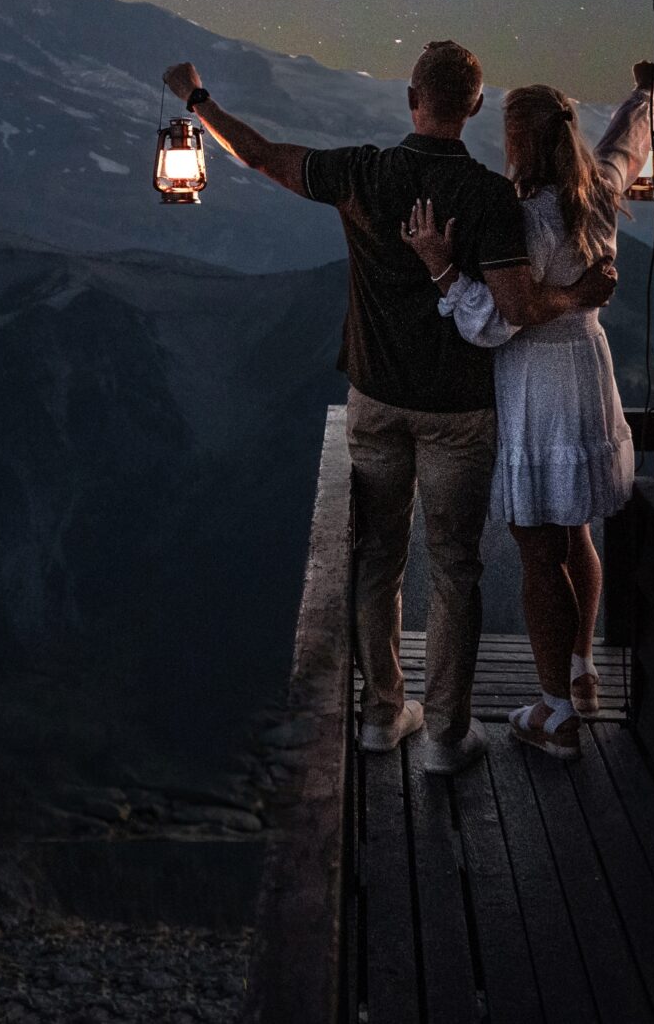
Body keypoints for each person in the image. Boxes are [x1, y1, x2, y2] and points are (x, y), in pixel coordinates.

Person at [161, 42, 615, 773]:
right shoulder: (488, 198)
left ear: (412, 97)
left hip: (374, 399)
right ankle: (444, 734)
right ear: (471, 108)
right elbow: (519, 306)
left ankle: (381, 715)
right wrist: (578, 294)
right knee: (455, 569)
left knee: (379, 561)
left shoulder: (363, 171)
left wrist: (198, 101)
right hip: (459, 413)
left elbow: (264, 157)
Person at [401, 61, 654, 762]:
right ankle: (581, 673)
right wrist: (648, 92)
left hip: (539, 380)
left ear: (518, 139)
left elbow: (495, 323)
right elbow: (628, 143)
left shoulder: (526, 217)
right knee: (575, 532)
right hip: (588, 369)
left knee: (538, 548)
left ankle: (556, 714)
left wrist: (443, 270)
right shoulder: (598, 191)